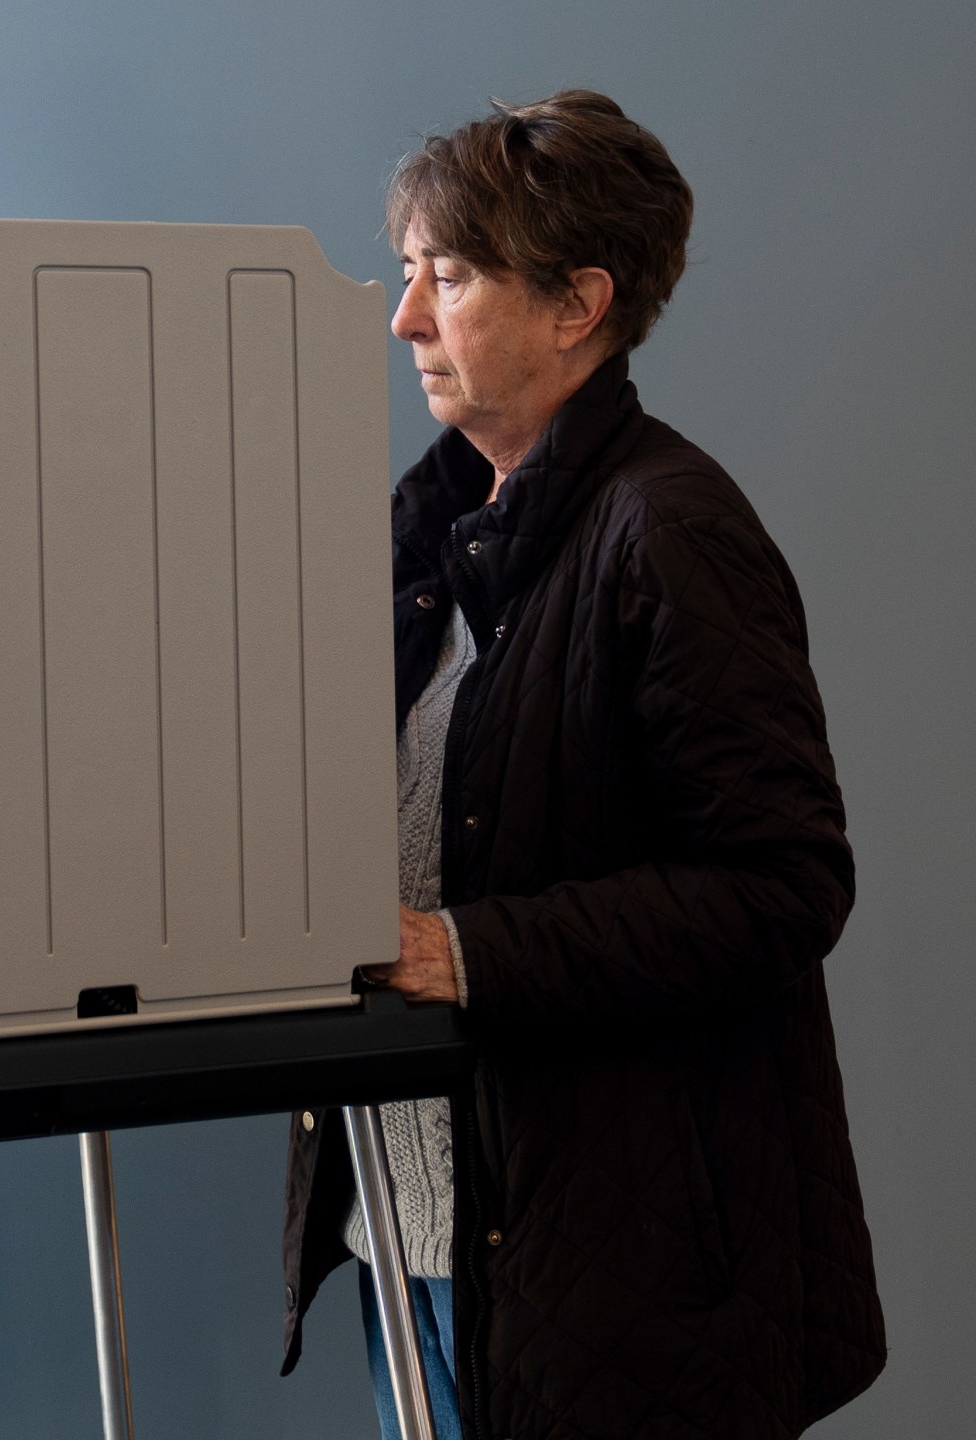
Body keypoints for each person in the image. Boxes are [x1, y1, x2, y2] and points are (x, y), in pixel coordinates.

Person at [280, 90, 887, 1439]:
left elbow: (786, 886)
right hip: (423, 1233)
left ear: (577, 304)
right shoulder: (433, 533)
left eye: (451, 276)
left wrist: (471, 952)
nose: (406, 318)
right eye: (408, 274)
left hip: (614, 1278)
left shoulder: (671, 535)